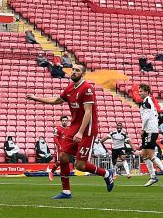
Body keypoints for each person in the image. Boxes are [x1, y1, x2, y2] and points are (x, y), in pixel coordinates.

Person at [26, 64, 115, 198]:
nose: (73, 72)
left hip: (87, 130)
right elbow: (56, 100)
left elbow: (88, 112)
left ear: (82, 74)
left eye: (77, 70)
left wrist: (80, 132)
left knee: (79, 165)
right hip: (74, 127)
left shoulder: (87, 88)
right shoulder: (69, 88)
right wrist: (36, 98)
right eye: (73, 69)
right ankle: (66, 191)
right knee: (63, 156)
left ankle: (106, 174)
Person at [137, 84, 163, 187]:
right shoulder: (148, 102)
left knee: (151, 155)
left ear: (147, 92)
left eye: (142, 91)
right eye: (139, 91)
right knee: (143, 154)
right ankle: (153, 176)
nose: (140, 93)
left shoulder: (146, 103)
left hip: (149, 131)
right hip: (152, 130)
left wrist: (143, 129)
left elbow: (146, 118)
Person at [45, 115, 70, 180]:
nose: (64, 122)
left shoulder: (69, 129)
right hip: (60, 148)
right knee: (60, 161)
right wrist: (59, 146)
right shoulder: (57, 128)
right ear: (61, 121)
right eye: (63, 121)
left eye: (65, 121)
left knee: (66, 162)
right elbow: (55, 139)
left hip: (67, 148)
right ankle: (52, 172)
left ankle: (64, 176)